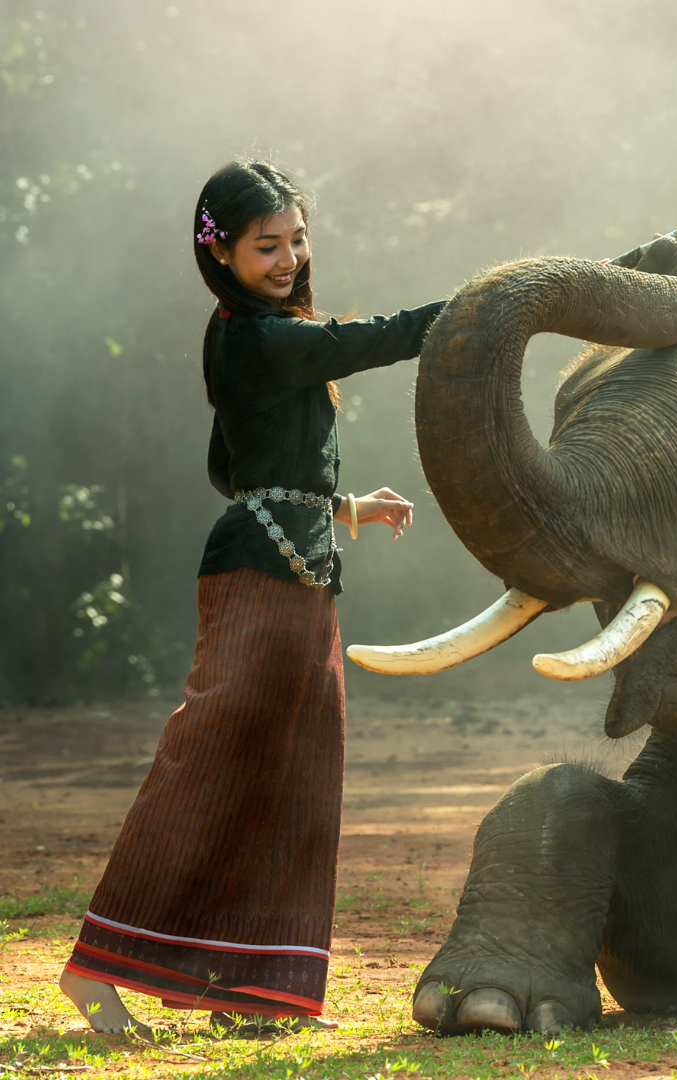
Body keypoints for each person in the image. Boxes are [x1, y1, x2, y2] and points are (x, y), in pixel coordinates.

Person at [59, 159, 446, 1034]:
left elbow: (227, 462)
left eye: (298, 239)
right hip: (258, 576)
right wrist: (483, 308)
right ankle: (94, 968)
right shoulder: (254, 338)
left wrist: (340, 505)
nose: (288, 258)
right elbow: (366, 341)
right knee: (206, 764)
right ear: (221, 254)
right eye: (266, 245)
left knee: (298, 777)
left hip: (300, 571)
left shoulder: (262, 338)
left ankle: (252, 988)